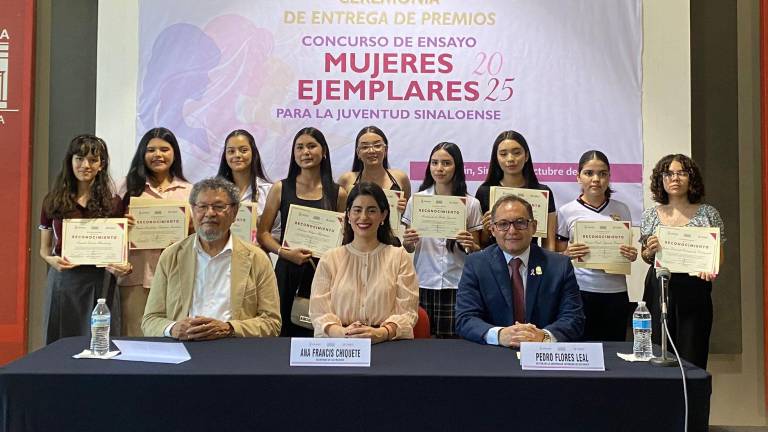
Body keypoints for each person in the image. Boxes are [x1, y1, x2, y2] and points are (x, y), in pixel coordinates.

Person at [142, 177, 281, 339]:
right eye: (202, 206)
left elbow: (272, 322)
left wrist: (229, 328)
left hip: (234, 348)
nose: (209, 213)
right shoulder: (171, 255)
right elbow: (150, 320)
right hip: (183, 347)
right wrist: (173, 328)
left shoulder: (257, 259)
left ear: (235, 212)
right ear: (193, 210)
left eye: (218, 207)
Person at [456, 195, 585, 346]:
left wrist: (543, 336)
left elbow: (574, 318)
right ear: (492, 230)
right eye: (503, 224)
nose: (512, 230)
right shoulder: (476, 264)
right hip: (493, 355)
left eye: (520, 223)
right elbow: (465, 319)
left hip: (543, 354)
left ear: (534, 227)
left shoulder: (559, 265)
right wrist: (499, 335)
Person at [39, 134, 131, 344]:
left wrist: (123, 264)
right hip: (64, 281)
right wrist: (51, 260)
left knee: (101, 342)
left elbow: (119, 250)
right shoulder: (52, 200)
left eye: (93, 160)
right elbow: (43, 249)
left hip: (101, 280)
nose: (85, 165)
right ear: (70, 161)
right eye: (79, 158)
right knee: (59, 341)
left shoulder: (114, 203)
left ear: (102, 165)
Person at [257, 127, 347, 337]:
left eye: (311, 146)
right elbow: (263, 234)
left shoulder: (338, 193)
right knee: (283, 333)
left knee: (321, 332)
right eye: (299, 147)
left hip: (324, 273)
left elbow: (345, 238)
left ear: (323, 151)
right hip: (288, 270)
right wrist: (284, 253)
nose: (305, 152)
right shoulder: (280, 188)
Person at [640, 154, 725, 369]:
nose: (675, 178)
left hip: (694, 287)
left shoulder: (708, 213)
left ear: (691, 178)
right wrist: (649, 251)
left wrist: (710, 268)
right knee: (658, 351)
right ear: (661, 179)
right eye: (668, 173)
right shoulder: (651, 214)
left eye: (681, 173)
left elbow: (718, 254)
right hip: (659, 286)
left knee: (692, 353)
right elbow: (645, 256)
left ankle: (690, 401)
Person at [310, 182, 418, 342]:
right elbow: (319, 313)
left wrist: (380, 333)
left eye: (372, 210)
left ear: (383, 215)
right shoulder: (330, 258)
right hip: (340, 345)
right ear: (348, 214)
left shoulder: (400, 257)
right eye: (357, 210)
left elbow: (407, 313)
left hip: (385, 344)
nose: (363, 217)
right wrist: (344, 333)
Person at [402, 142, 483, 338]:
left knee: (454, 346)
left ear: (457, 167)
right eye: (435, 162)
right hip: (424, 282)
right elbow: (408, 247)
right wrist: (409, 241)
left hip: (457, 283)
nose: (439, 168)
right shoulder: (417, 200)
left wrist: (471, 245)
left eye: (446, 163)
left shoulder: (471, 204)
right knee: (422, 343)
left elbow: (477, 251)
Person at [556, 150, 638, 341]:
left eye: (602, 174)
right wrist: (567, 253)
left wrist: (631, 255)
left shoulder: (621, 209)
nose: (596, 179)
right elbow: (557, 254)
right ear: (578, 177)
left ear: (609, 177)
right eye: (589, 173)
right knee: (582, 349)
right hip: (580, 291)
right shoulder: (567, 211)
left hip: (616, 292)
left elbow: (627, 251)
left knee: (613, 351)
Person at [118, 127, 192, 337]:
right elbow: (108, 232)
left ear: (174, 153)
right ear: (142, 153)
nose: (158, 155)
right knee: (134, 336)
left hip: (178, 278)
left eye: (164, 149)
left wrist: (189, 226)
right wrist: (119, 225)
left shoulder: (190, 190)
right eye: (151, 150)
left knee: (174, 337)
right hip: (135, 276)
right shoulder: (124, 187)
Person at [475, 130, 557, 250]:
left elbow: (549, 243)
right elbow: (481, 243)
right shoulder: (485, 191)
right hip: (493, 261)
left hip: (531, 261)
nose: (510, 159)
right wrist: (487, 230)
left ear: (527, 156)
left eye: (517, 153)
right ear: (496, 158)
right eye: (503, 154)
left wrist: (549, 267)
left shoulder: (542, 193)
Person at [216, 129, 280, 242]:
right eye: (231, 151)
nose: (237, 155)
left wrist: (261, 244)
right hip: (220, 257)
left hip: (256, 256)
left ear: (253, 153)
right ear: (225, 156)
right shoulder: (214, 193)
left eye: (243, 150)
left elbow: (278, 232)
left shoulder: (269, 191)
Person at [337, 126, 411, 214]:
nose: (371, 151)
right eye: (365, 147)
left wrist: (404, 209)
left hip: (392, 228)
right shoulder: (347, 179)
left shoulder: (400, 177)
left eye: (377, 145)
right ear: (358, 153)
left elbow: (408, 215)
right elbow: (339, 215)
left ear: (386, 150)